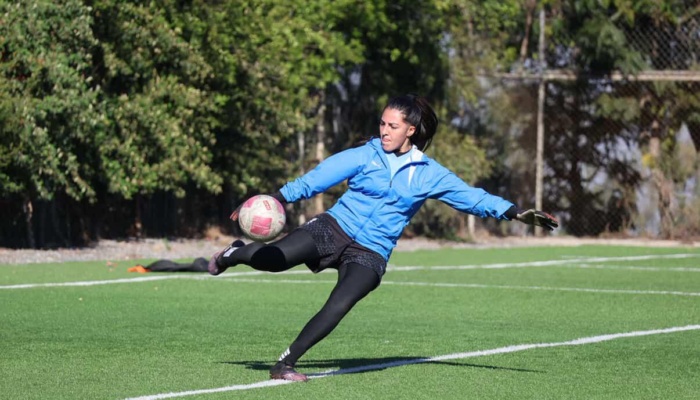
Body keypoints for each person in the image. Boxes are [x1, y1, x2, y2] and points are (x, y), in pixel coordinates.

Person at [208, 94, 558, 382]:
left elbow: (472, 198)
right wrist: (274, 198)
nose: (385, 131)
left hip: (372, 250)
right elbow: (318, 178)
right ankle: (234, 253)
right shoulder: (366, 154)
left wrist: (514, 212)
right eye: (382, 124)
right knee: (274, 261)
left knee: (339, 304)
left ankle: (284, 363)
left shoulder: (428, 173)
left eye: (393, 126)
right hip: (334, 227)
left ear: (411, 130)